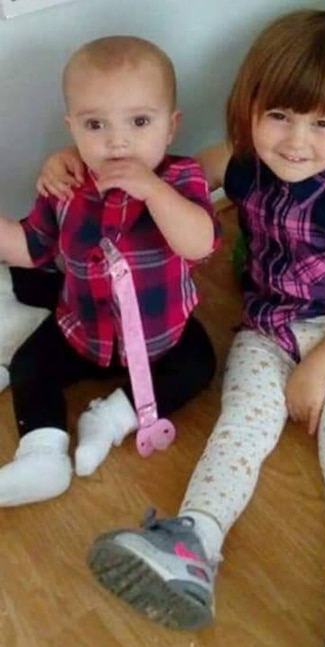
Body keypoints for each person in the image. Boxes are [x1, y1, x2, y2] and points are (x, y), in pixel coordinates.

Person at [40, 10, 325, 645]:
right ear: (249, 110)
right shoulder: (240, 162)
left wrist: (319, 368)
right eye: (279, 116)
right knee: (236, 436)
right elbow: (156, 167)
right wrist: (77, 162)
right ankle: (191, 544)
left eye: (323, 123)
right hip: (264, 330)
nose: (296, 141)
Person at [0, 35, 219, 507]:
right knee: (29, 365)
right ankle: (42, 453)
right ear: (72, 128)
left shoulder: (181, 180)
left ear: (171, 127)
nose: (117, 140)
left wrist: (153, 192)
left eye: (139, 122)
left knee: (200, 362)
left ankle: (114, 416)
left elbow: (200, 243)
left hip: (164, 338)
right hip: (82, 330)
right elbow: (30, 247)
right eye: (95, 124)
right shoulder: (66, 185)